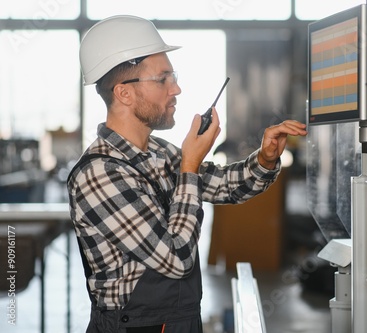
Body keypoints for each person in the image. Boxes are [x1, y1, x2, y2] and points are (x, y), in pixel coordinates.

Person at [67, 15, 307, 333]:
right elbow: (175, 258)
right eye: (162, 79)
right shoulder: (98, 174)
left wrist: (264, 159)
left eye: (173, 76)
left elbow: (225, 187)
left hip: (178, 320)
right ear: (124, 93)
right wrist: (190, 165)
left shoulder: (160, 152)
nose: (176, 88)